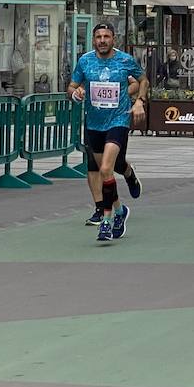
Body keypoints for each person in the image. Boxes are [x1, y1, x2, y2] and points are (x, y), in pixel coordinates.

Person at [68, 23, 146, 242]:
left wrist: (139, 101)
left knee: (105, 168)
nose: (102, 40)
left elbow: (143, 80)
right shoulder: (85, 61)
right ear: (94, 40)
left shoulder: (124, 60)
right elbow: (71, 86)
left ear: (114, 39)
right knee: (107, 172)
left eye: (106, 36)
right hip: (94, 123)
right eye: (98, 37)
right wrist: (77, 93)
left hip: (118, 120)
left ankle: (106, 221)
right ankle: (120, 210)